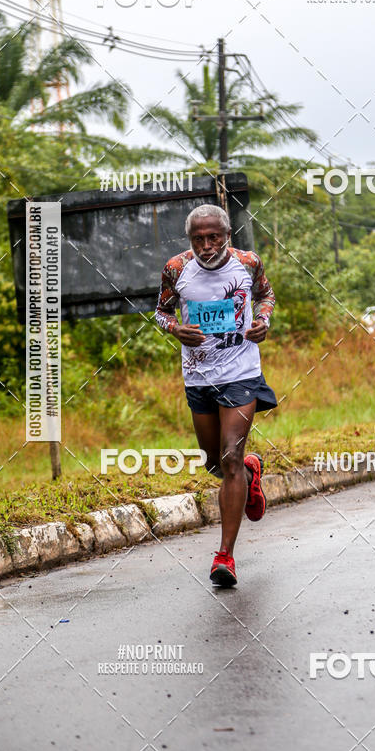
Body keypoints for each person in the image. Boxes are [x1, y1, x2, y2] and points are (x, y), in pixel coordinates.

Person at [155, 204, 277, 587]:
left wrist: (263, 322)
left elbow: (267, 295)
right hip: (198, 377)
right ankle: (251, 471)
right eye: (198, 239)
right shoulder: (176, 268)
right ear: (189, 240)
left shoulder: (247, 262)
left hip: (241, 373)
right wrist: (175, 329)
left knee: (230, 456)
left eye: (214, 237)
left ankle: (224, 557)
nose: (207, 246)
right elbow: (160, 311)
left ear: (227, 235)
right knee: (214, 463)